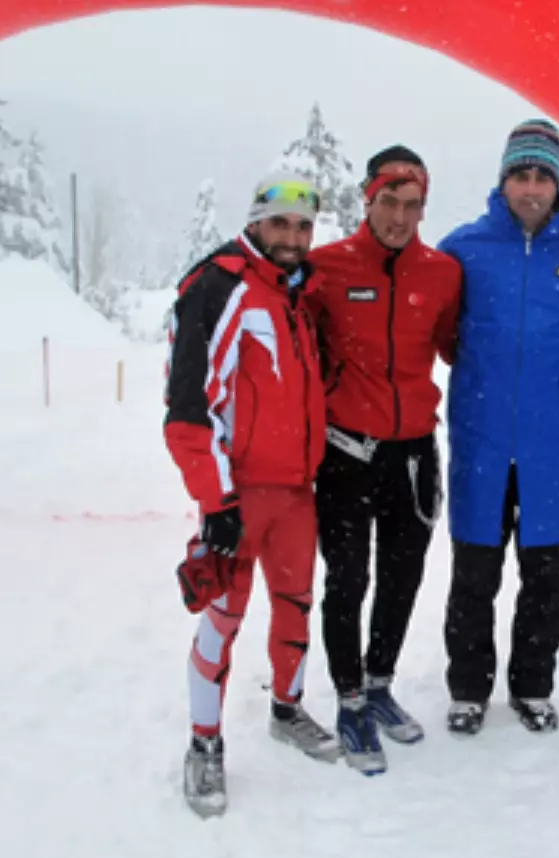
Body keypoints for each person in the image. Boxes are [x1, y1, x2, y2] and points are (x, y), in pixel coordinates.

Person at [166, 172, 337, 818]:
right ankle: (204, 744)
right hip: (238, 497)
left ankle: (286, 710)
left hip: (296, 493)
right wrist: (216, 502)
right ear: (256, 222)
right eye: (281, 224)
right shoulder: (220, 285)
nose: (293, 238)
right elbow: (187, 412)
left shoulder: (295, 293)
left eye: (303, 227)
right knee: (223, 619)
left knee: (295, 606)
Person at [437, 119, 559, 735]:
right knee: (474, 576)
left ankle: (533, 685)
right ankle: (468, 688)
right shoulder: (462, 250)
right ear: (503, 180)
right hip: (482, 443)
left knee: (547, 579)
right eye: (521, 174)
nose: (531, 187)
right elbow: (439, 337)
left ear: (558, 182)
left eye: (542, 175)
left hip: (558, 449)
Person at [307, 146, 461, 775]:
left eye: (413, 205)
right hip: (347, 453)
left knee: (403, 579)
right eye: (389, 203)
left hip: (416, 453)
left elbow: (456, 346)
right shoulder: (325, 267)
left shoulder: (443, 272)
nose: (400, 217)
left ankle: (378, 684)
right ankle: (347, 699)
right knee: (347, 581)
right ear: (367, 200)